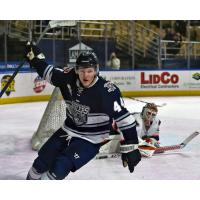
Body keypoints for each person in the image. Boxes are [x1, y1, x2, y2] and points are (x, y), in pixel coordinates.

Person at [25, 41, 141, 180]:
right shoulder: (67, 78)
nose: (86, 75)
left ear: (96, 70)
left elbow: (125, 120)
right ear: (76, 70)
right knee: (40, 163)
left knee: (60, 167)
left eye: (90, 71)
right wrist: (35, 57)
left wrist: (132, 146)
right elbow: (47, 71)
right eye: (82, 71)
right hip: (68, 130)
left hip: (91, 139)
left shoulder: (108, 92)